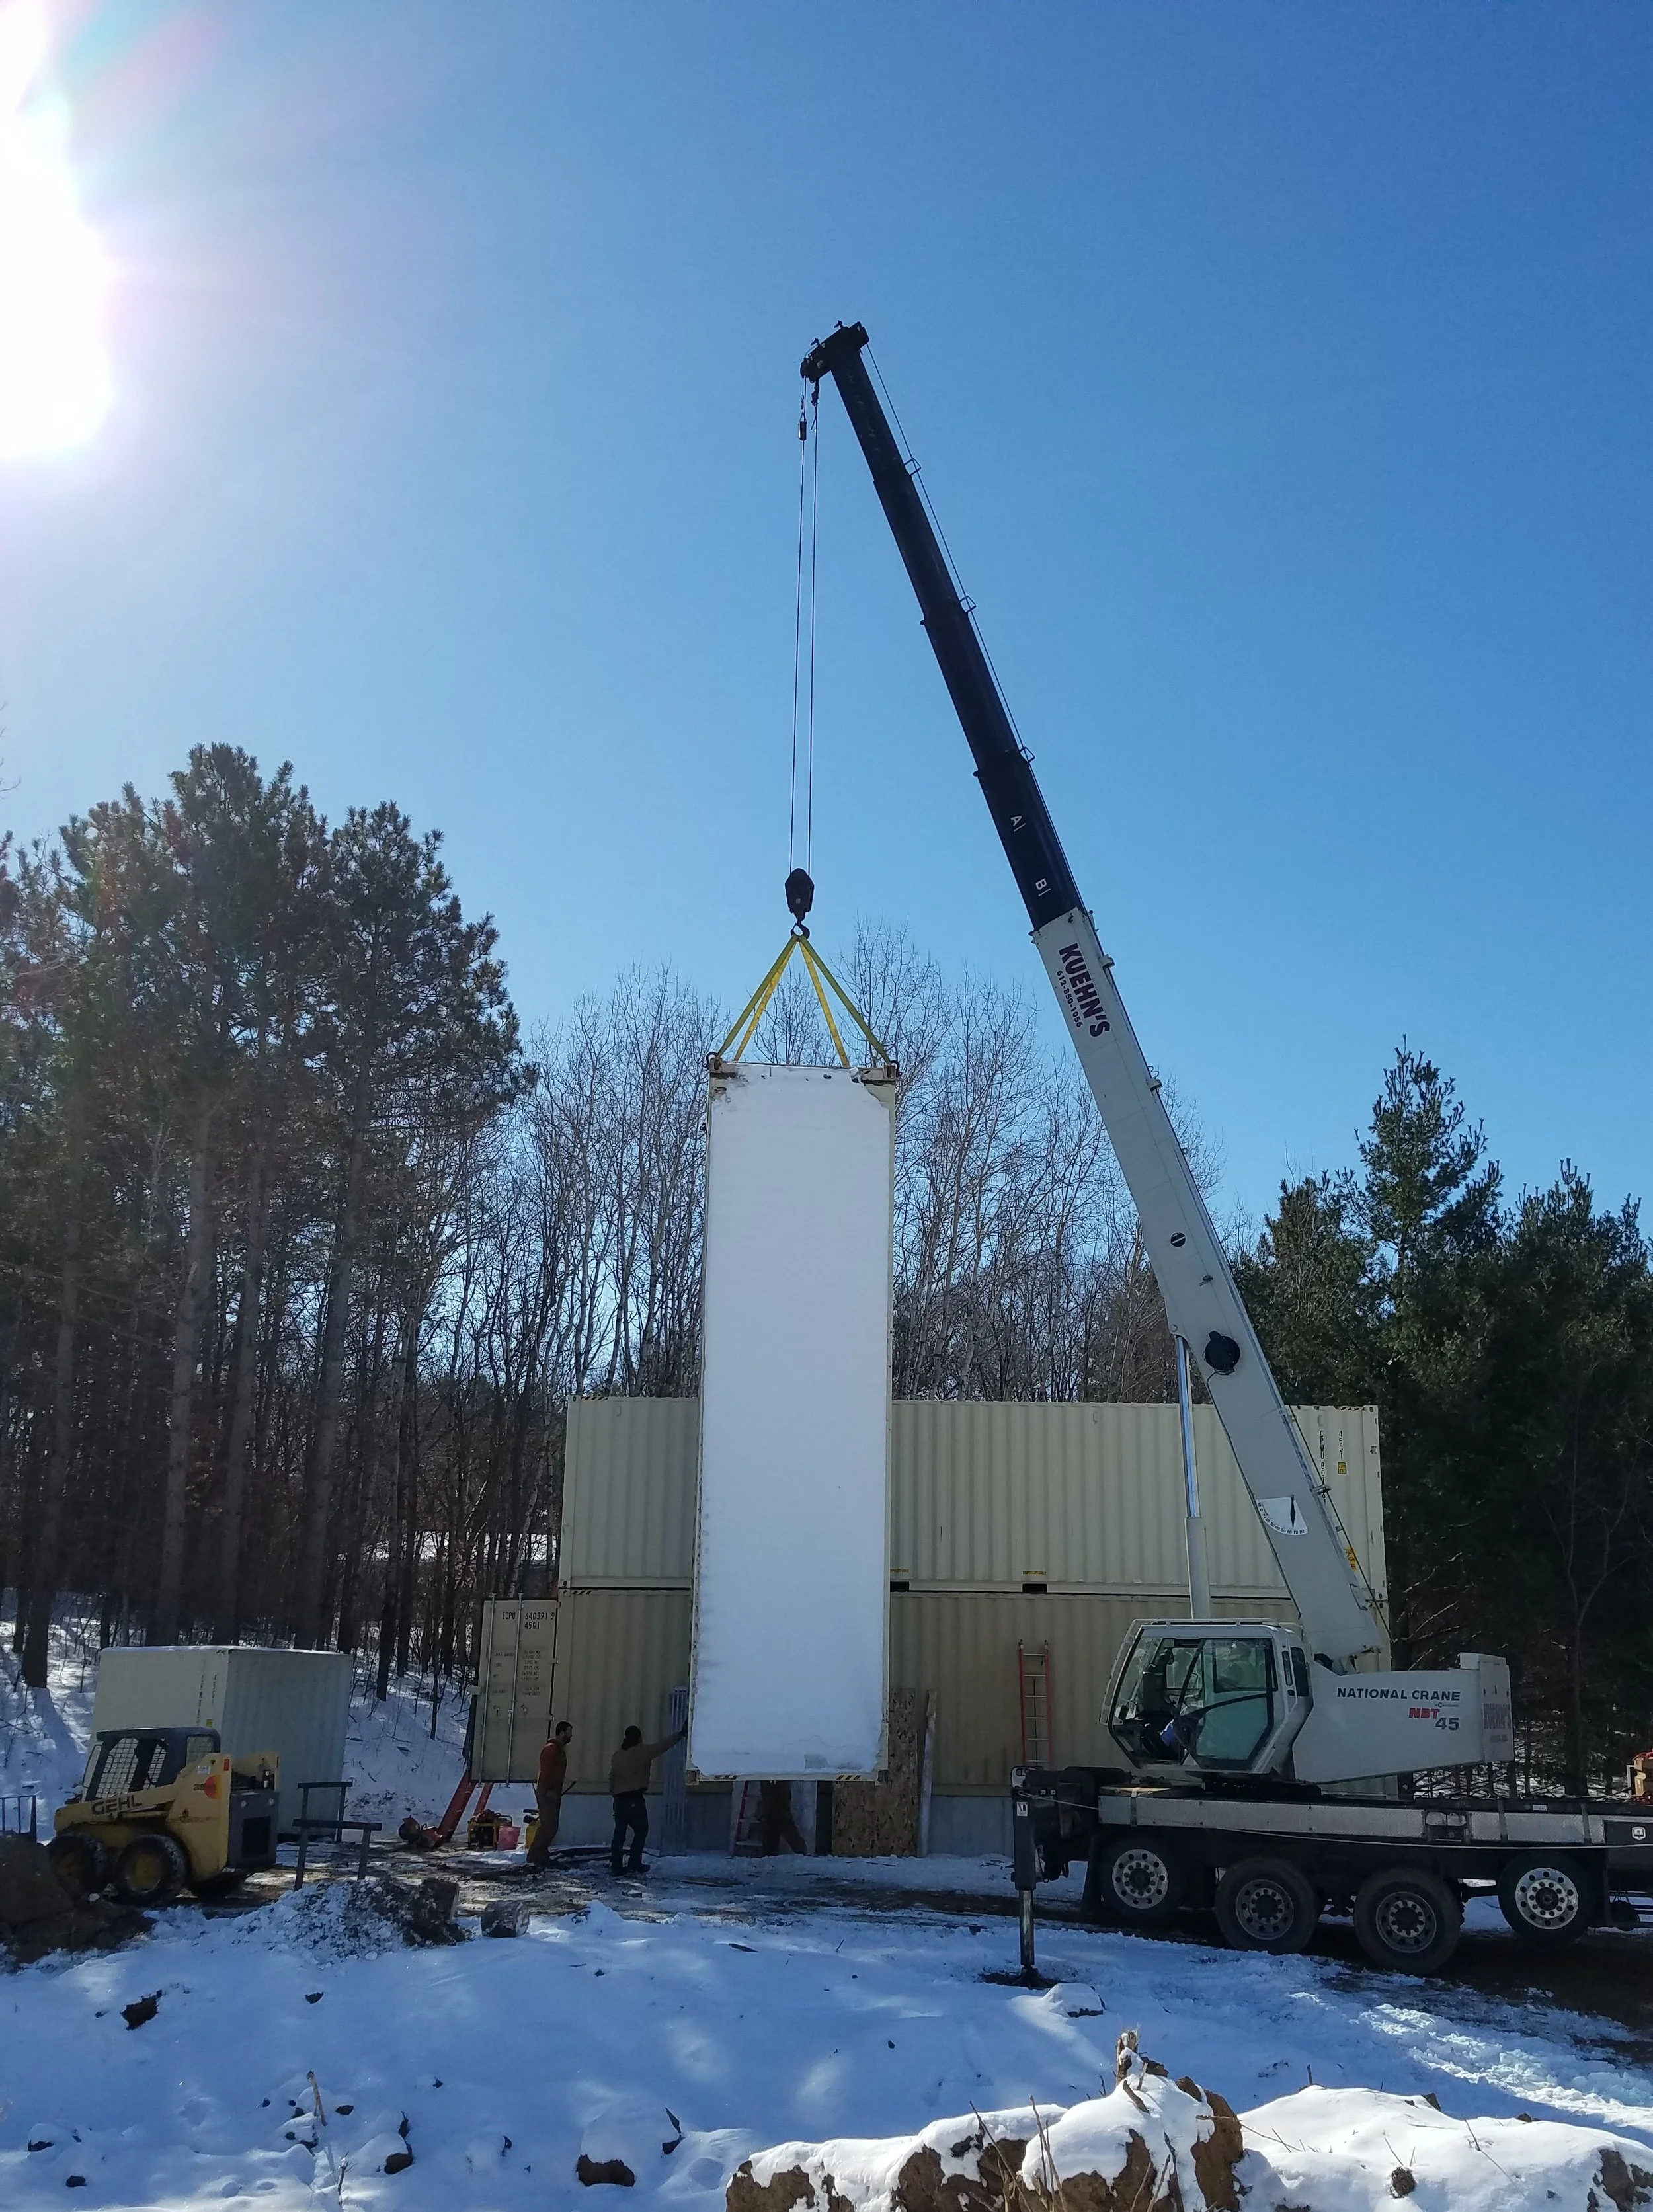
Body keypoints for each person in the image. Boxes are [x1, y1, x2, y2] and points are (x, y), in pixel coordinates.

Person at [608, 1720, 686, 1876]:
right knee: (641, 1830)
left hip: (619, 1799)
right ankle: (634, 1863)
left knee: (619, 1833)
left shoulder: (617, 1756)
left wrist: (614, 1793)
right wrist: (680, 1734)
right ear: (639, 1737)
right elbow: (662, 1745)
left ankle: (616, 1865)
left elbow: (612, 1777)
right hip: (634, 1798)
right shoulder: (642, 1752)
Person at [526, 1720, 573, 1869]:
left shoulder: (559, 1750)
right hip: (548, 1792)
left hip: (553, 1792)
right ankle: (535, 1854)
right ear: (562, 1733)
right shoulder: (551, 1749)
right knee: (548, 1825)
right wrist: (549, 1789)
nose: (571, 1735)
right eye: (569, 1731)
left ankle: (541, 1853)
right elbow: (546, 1771)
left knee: (552, 1826)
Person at [758, 1779, 807, 1856]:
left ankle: (800, 1849)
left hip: (778, 1778)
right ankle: (769, 1853)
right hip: (770, 1778)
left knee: (781, 1817)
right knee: (772, 1817)